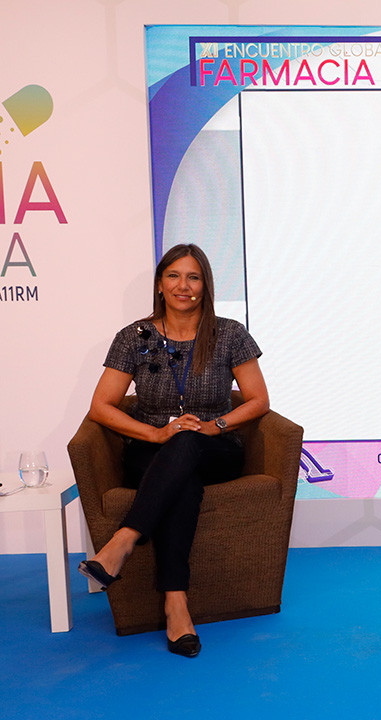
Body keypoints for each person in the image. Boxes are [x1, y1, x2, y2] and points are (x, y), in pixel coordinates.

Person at [78, 244, 269, 657]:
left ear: (205, 286)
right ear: (160, 285)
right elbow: (101, 407)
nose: (184, 286)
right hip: (152, 450)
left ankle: (124, 540)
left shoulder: (229, 333)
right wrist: (158, 435)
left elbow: (258, 401)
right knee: (182, 480)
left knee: (188, 443)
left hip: (215, 449)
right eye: (174, 276)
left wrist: (214, 425)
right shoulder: (134, 337)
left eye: (193, 277)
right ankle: (176, 605)